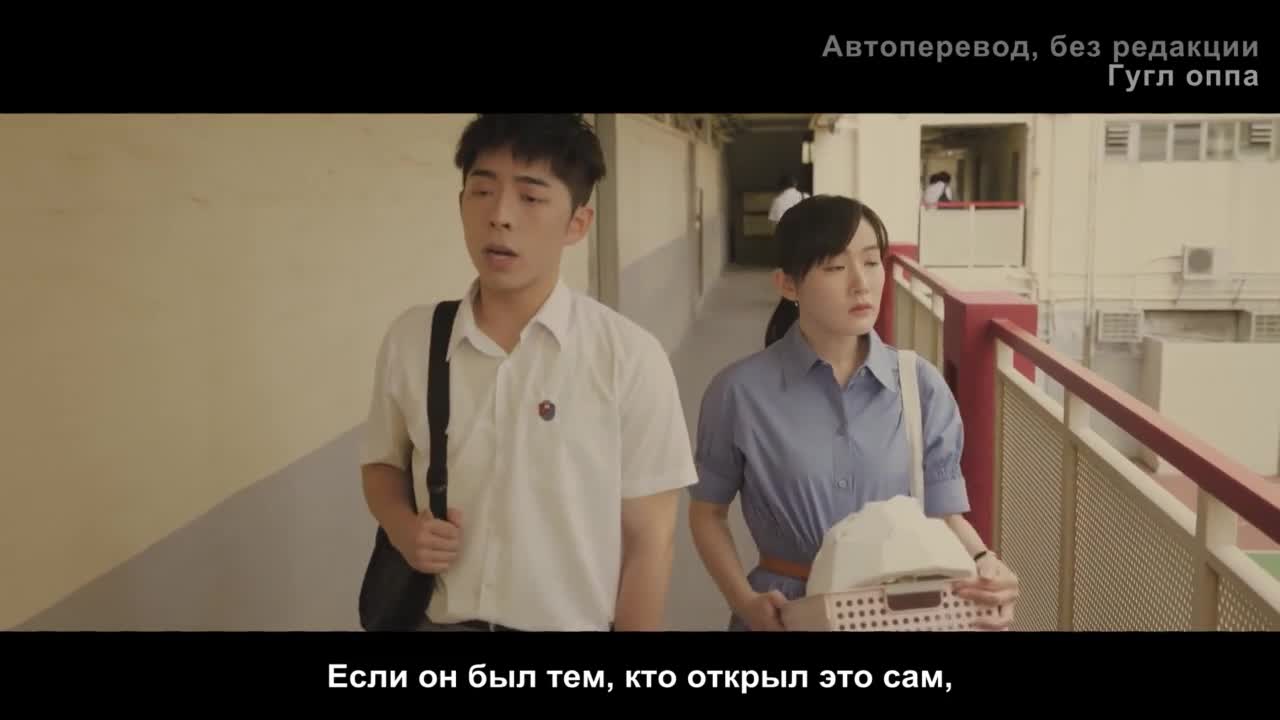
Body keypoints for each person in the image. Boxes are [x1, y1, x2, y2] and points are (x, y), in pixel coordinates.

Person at [359, 114, 698, 632]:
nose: (500, 216)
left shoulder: (628, 357)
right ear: (461, 204)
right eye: (482, 191)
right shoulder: (413, 339)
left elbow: (649, 541)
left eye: (531, 197)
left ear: (577, 223)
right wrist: (404, 529)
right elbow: (382, 465)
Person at [688, 194, 1020, 631]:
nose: (861, 284)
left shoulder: (919, 385)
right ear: (788, 285)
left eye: (871, 261)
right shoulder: (738, 392)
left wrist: (985, 561)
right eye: (834, 267)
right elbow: (707, 513)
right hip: (788, 615)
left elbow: (944, 515)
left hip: (899, 616)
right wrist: (745, 601)